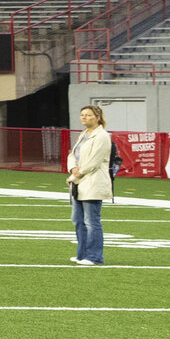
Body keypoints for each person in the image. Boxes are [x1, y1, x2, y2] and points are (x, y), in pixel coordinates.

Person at [67, 104, 114, 267]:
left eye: (88, 115)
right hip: (80, 182)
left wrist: (75, 174)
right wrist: (72, 167)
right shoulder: (84, 134)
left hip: (92, 182)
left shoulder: (102, 136)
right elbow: (72, 154)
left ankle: (94, 256)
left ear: (98, 117)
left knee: (91, 221)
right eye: (82, 115)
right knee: (78, 220)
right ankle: (82, 254)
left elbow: (93, 162)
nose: (84, 117)